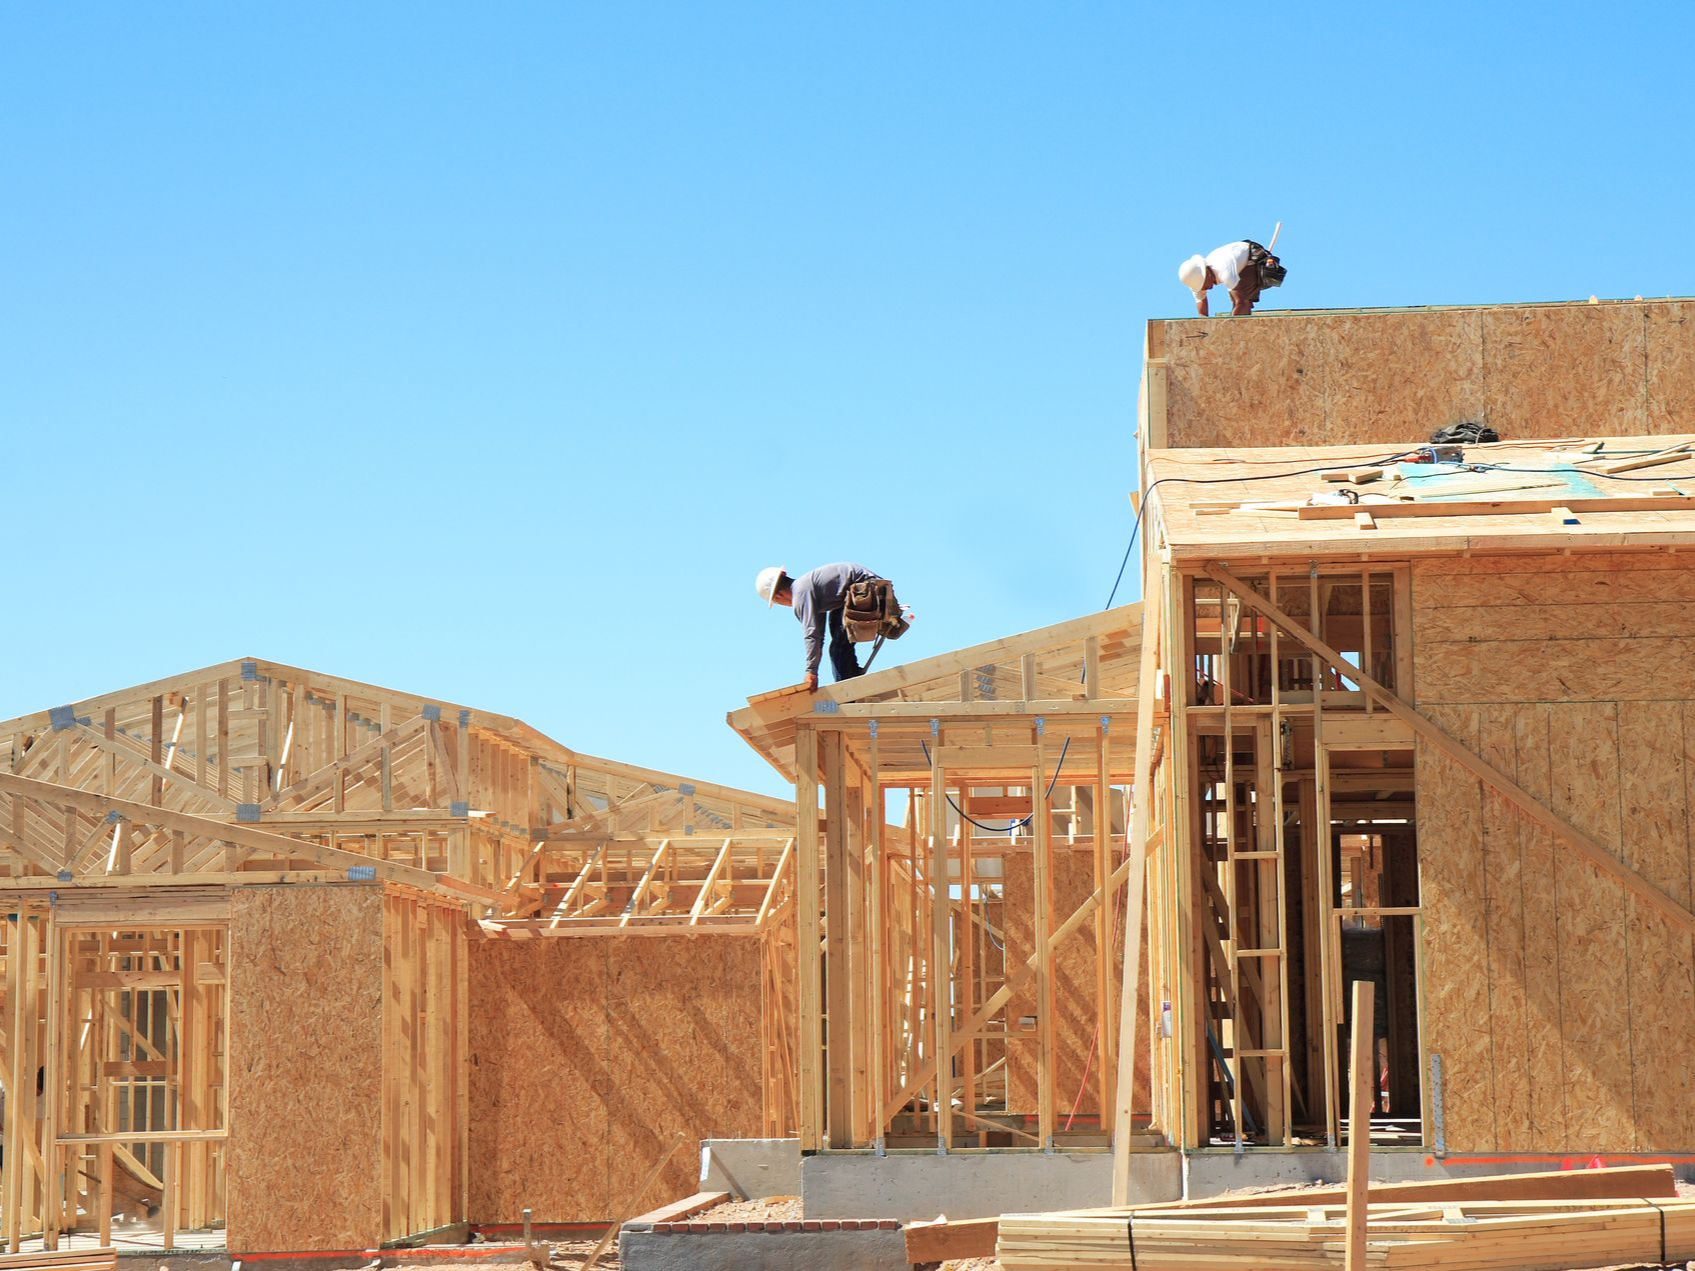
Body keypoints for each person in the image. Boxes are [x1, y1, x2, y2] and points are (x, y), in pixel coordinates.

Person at [755, 562, 896, 690]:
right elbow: (818, 634)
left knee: (838, 649)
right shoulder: (809, 588)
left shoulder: (800, 595)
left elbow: (812, 635)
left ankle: (848, 694)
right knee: (838, 637)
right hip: (866, 589)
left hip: (866, 590)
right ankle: (851, 679)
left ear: (778, 596)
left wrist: (811, 671)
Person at [1178, 240, 1284, 316]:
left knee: (1243, 300)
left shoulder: (1224, 270)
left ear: (1207, 275)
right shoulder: (1194, 280)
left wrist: (1228, 328)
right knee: (1236, 301)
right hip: (1238, 261)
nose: (1207, 289)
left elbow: (1240, 302)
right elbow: (1202, 314)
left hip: (1254, 257)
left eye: (1204, 285)